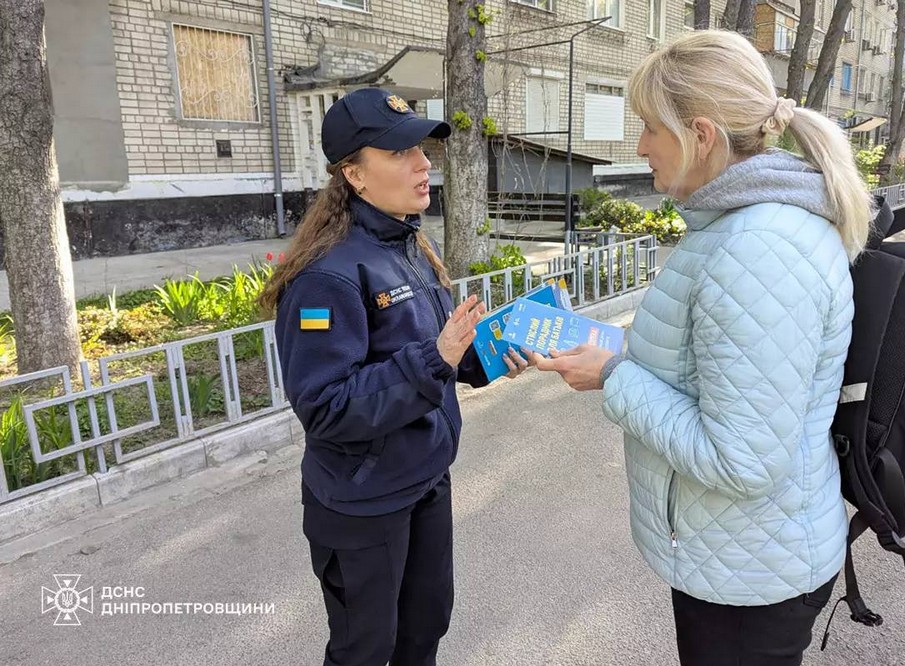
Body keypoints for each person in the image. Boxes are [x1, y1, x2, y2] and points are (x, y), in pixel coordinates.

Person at [533, 30, 872, 665]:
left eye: (649, 128)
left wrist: (614, 378)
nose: (639, 147)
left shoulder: (757, 250)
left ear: (701, 134)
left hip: (752, 579)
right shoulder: (740, 228)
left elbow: (741, 460)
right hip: (739, 558)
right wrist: (621, 352)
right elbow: (714, 359)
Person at [258, 87, 529, 666]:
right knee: (365, 649)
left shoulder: (407, 244)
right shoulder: (325, 278)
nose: (424, 163)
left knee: (424, 628)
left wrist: (482, 355)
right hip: (362, 503)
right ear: (354, 174)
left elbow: (426, 357)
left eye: (422, 148)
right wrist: (436, 359)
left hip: (424, 479)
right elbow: (327, 406)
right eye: (401, 152)